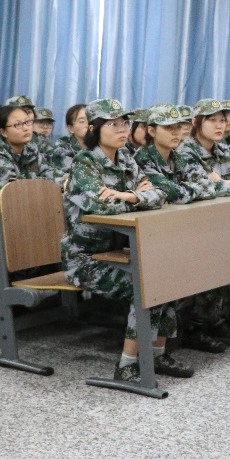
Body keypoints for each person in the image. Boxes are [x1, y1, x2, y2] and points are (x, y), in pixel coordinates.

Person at [63, 98, 193, 382]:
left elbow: (158, 194)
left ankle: (157, 354)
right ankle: (127, 365)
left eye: (125, 123)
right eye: (114, 125)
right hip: (85, 259)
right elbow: (100, 206)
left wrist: (128, 195)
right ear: (95, 128)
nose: (123, 130)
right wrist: (138, 196)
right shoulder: (85, 163)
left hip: (119, 253)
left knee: (170, 278)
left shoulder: (126, 159)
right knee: (146, 285)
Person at [136, 103, 230, 352]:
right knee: (206, 256)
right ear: (151, 131)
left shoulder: (176, 156)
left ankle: (205, 323)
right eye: (169, 128)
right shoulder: (142, 159)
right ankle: (188, 328)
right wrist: (206, 188)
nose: (176, 132)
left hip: (181, 228)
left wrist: (216, 184)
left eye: (178, 127)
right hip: (154, 236)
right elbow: (172, 192)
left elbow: (206, 186)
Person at [0, 104, 57, 188]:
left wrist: (65, 179)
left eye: (28, 122)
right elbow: (13, 186)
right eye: (18, 124)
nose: (26, 128)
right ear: (3, 132)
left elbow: (47, 172)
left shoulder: (31, 147)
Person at [49, 104, 89, 177]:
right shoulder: (62, 149)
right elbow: (72, 177)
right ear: (71, 128)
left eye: (91, 120)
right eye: (82, 121)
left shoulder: (101, 145)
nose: (88, 124)